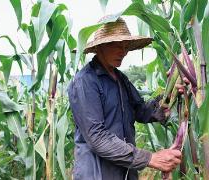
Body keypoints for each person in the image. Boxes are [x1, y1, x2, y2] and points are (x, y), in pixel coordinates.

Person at [68, 16, 181, 180]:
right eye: (116, 45)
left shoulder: (120, 79)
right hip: (97, 174)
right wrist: (150, 158)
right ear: (100, 47)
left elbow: (141, 111)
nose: (123, 51)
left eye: (125, 46)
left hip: (126, 173)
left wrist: (170, 95)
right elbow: (97, 138)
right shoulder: (85, 82)